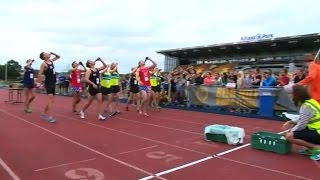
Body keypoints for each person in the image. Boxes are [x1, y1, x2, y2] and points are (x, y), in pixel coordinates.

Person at [282, 85, 320, 161]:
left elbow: (302, 124)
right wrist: (291, 121)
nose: (290, 96)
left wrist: (291, 131)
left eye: (291, 94)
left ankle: (316, 148)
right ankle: (310, 148)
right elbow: (304, 118)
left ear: (297, 95)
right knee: (295, 128)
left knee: (289, 136)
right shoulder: (311, 101)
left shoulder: (306, 106)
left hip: (318, 131)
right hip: (316, 129)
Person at [37, 52, 60, 123]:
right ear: (44, 56)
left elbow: (58, 56)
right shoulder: (43, 64)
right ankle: (50, 117)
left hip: (53, 82)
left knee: (51, 100)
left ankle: (43, 113)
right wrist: (39, 83)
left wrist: (52, 52)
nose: (48, 54)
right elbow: (39, 74)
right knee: (50, 100)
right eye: (46, 54)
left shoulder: (51, 61)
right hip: (48, 83)